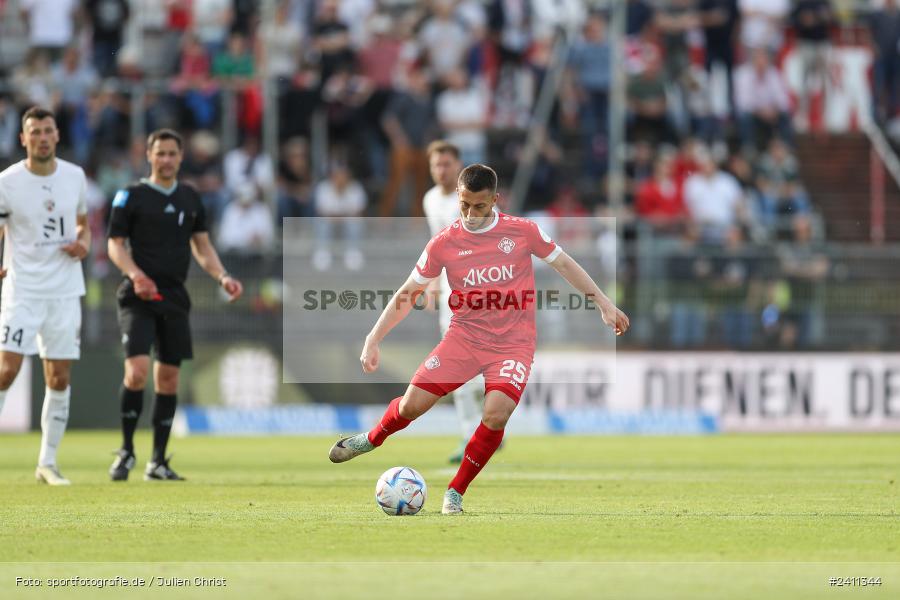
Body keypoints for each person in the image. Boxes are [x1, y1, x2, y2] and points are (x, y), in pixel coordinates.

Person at [328, 164, 629, 514]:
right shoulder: (444, 243)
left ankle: (455, 492)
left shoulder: (523, 232)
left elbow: (565, 264)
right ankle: (371, 439)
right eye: (464, 205)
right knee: (412, 406)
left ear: (495, 200)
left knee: (496, 413)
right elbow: (409, 291)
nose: (470, 214)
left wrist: (603, 303)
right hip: (464, 339)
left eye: (479, 207)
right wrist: (373, 337)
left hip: (513, 344)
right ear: (458, 196)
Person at [107, 129, 243, 482]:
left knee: (168, 379)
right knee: (136, 372)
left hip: (174, 296)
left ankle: (157, 461)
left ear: (180, 157)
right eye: (160, 153)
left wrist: (222, 276)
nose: (166, 159)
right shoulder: (130, 196)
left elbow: (202, 246)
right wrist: (136, 275)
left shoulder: (190, 198)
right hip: (138, 297)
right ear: (148, 156)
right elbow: (115, 246)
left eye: (172, 153)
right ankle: (126, 451)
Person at [0, 106, 91, 485]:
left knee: (59, 376)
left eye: (47, 131)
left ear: (56, 136)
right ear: (23, 138)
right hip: (22, 288)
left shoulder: (75, 176)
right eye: (34, 131)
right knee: (6, 369)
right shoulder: (7, 181)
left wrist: (84, 243)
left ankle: (47, 463)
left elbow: (84, 222)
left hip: (65, 290)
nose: (41, 137)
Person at [422, 141, 485, 463]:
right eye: (436, 165)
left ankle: (485, 427)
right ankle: (469, 435)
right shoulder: (431, 199)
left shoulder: (474, 199)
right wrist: (432, 282)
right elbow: (436, 244)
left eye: (446, 164)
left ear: (458, 165)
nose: (441, 170)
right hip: (451, 294)